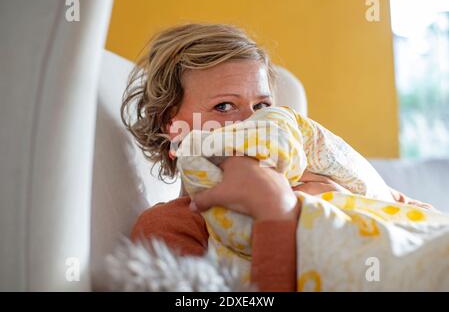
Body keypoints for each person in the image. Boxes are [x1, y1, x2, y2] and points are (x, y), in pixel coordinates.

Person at [121, 23, 430, 292]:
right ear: (172, 126)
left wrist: (347, 200)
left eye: (262, 106)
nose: (253, 123)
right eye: (225, 106)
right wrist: (275, 211)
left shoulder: (317, 178)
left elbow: (423, 223)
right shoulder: (172, 226)